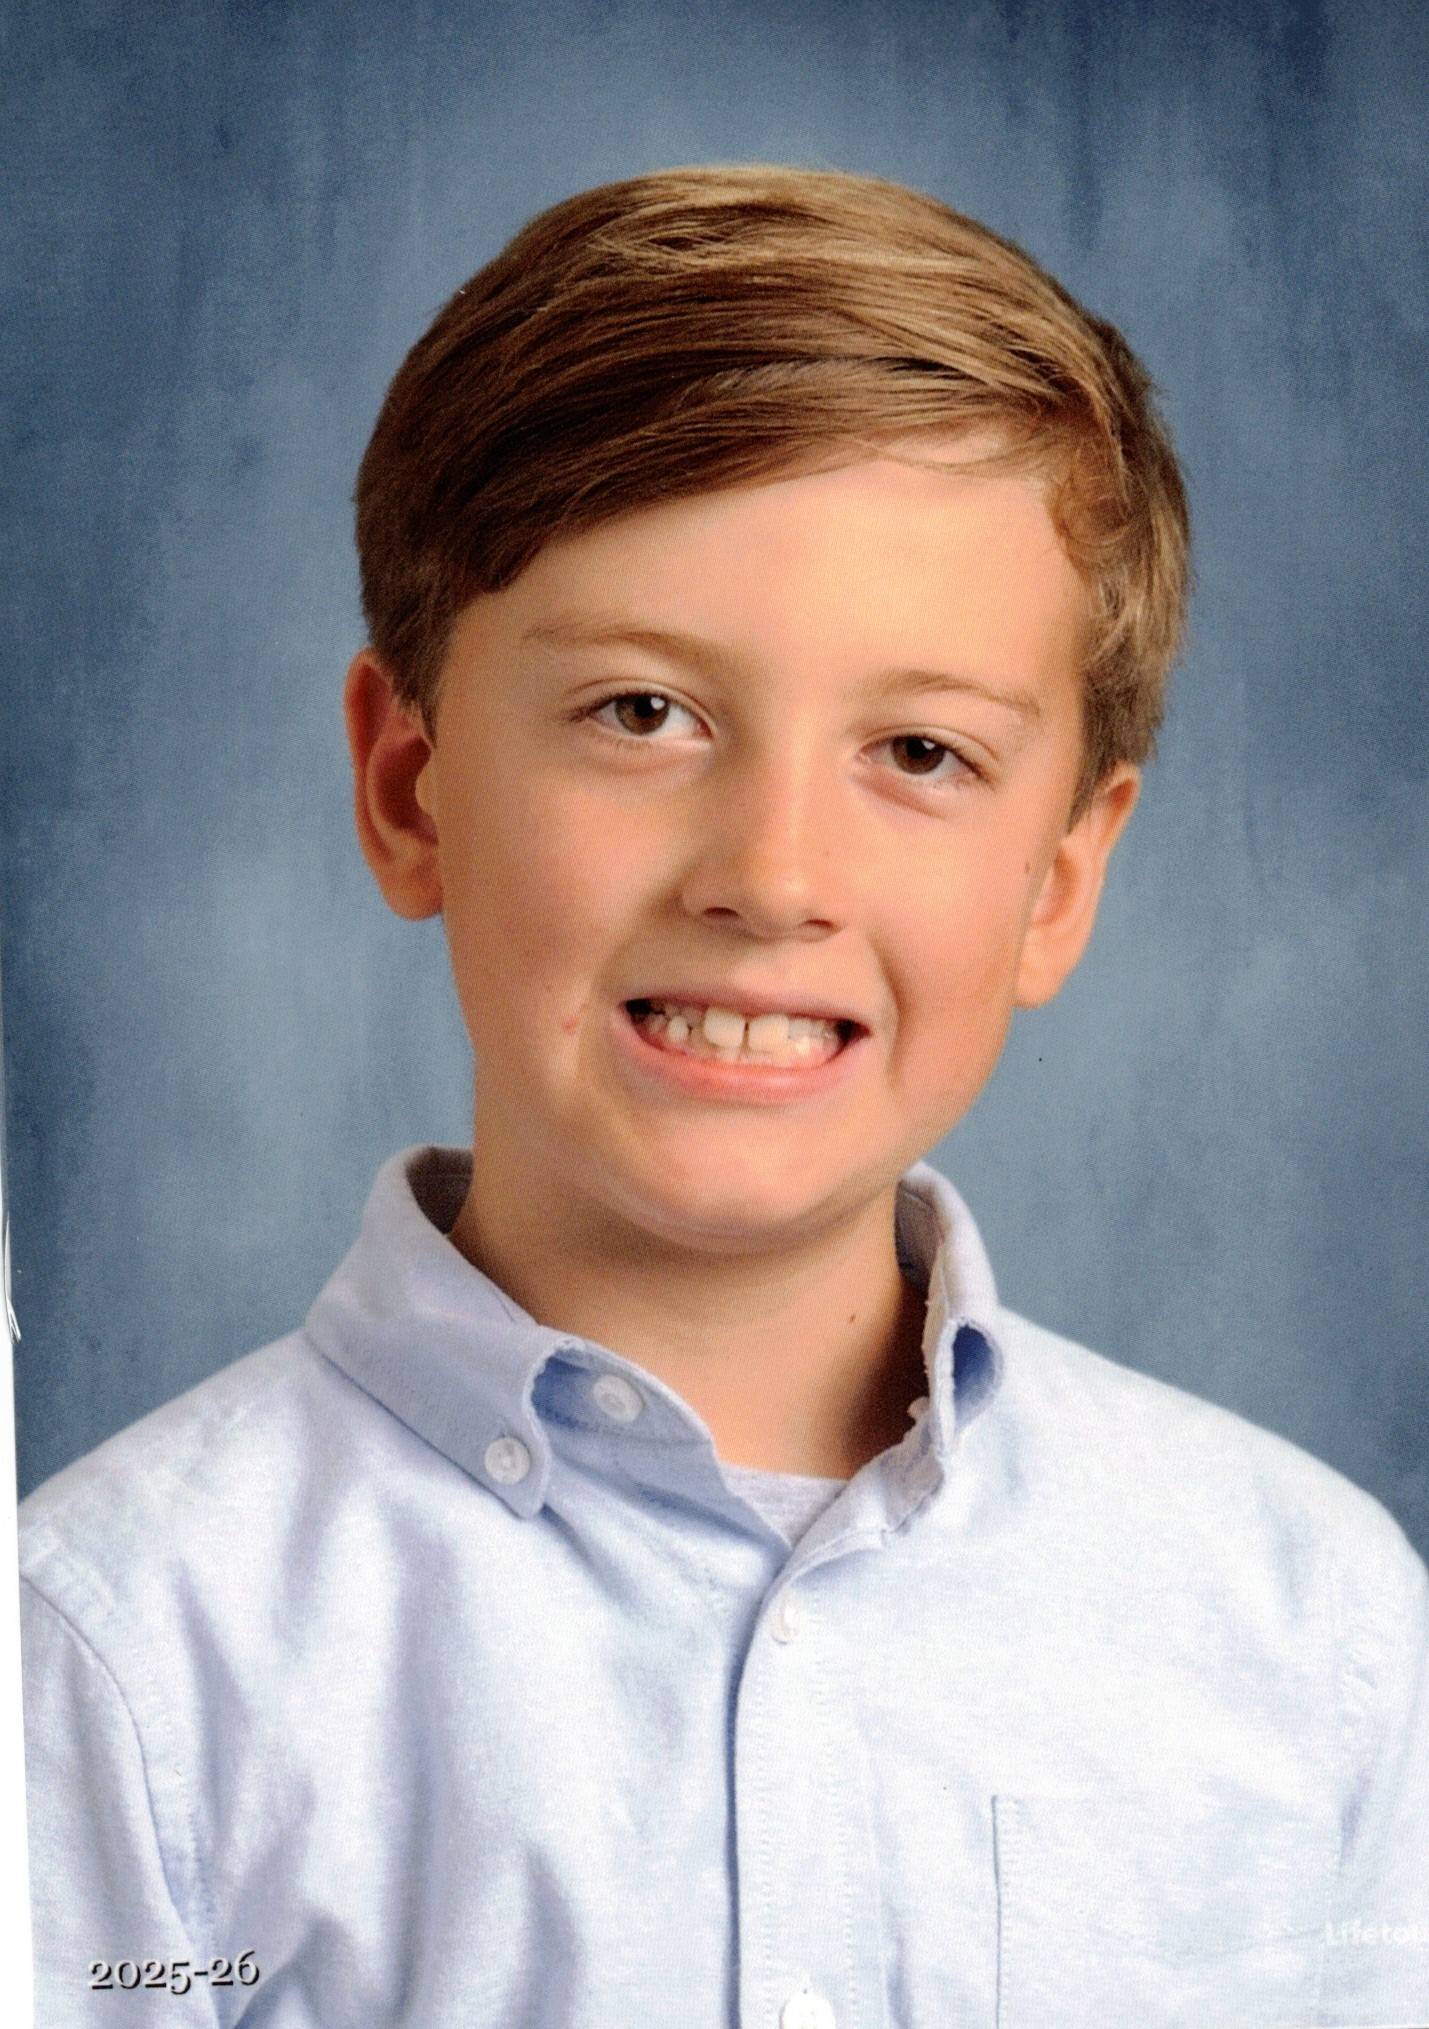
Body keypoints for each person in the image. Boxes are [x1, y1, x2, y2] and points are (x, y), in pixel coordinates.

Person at [17, 163, 1427, 2029]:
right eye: (641, 713)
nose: (771, 876)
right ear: (409, 789)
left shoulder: (1315, 1630)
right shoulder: (106, 1662)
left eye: (918, 750)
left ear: (1060, 880)